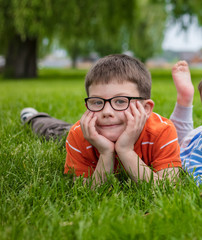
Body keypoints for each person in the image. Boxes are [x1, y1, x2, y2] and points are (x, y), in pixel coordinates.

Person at [21, 54, 182, 186]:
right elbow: (86, 191)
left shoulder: (162, 131)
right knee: (55, 131)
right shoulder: (79, 135)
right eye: (97, 102)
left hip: (106, 131)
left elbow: (166, 187)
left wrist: (125, 150)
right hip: (92, 132)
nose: (106, 112)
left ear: (146, 109)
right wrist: (106, 152)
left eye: (120, 101)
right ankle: (33, 117)